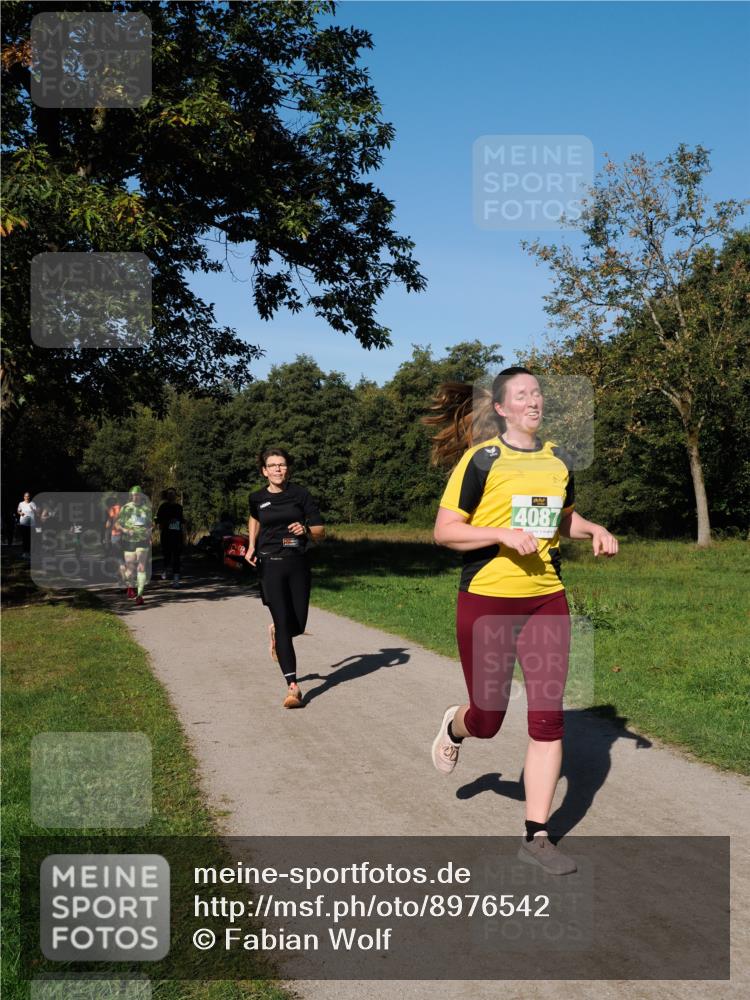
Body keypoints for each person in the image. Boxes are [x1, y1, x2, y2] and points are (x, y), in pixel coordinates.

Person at [426, 367, 618, 875]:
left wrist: (592, 527)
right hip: (488, 600)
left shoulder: (558, 461)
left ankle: (537, 836)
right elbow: (445, 531)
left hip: (545, 600)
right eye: (522, 395)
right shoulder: (481, 460)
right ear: (503, 409)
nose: (533, 400)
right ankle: (456, 724)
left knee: (548, 719)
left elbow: (560, 518)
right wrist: (502, 533)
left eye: (538, 393)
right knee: (487, 721)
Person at [244, 448, 325, 708]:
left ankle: (278, 634)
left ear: (287, 468)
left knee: (297, 625)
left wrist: (306, 529)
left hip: (298, 563)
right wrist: (252, 545)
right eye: (273, 465)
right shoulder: (256, 497)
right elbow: (254, 517)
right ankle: (293, 687)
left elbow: (320, 532)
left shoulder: (300, 495)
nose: (278, 469)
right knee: (282, 620)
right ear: (264, 471)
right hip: (270, 564)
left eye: (282, 465)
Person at [116, 485, 152, 607]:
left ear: (141, 496)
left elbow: (150, 524)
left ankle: (140, 595)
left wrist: (149, 532)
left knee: (141, 567)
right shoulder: (125, 508)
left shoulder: (146, 509)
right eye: (133, 495)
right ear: (131, 496)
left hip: (142, 540)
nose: (135, 497)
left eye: (138, 495)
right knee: (130, 572)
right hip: (129, 541)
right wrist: (125, 531)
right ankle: (127, 581)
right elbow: (117, 525)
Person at [156, 488, 185, 587]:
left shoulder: (179, 507)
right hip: (166, 535)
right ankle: (165, 568)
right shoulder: (163, 507)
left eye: (173, 493)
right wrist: (167, 522)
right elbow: (158, 520)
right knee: (167, 555)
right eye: (169, 494)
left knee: (176, 556)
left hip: (177, 535)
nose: (171, 495)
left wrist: (183, 525)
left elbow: (181, 520)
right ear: (166, 495)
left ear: (175, 495)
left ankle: (176, 580)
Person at [16, 491, 37, 559]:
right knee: (25, 538)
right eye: (26, 496)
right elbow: (18, 511)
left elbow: (36, 512)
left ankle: (30, 552)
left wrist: (32, 509)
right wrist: (20, 513)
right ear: (24, 497)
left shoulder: (33, 503)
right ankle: (25, 552)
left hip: (32, 523)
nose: (27, 497)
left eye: (28, 496)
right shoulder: (21, 503)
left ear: (29, 497)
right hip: (23, 523)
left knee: (31, 538)